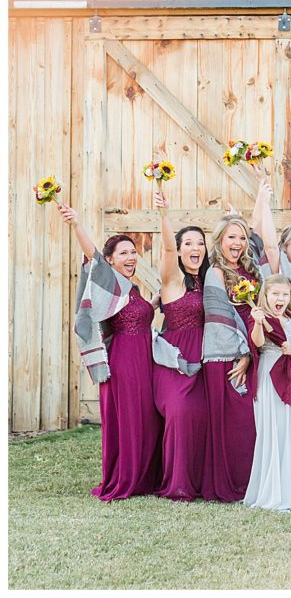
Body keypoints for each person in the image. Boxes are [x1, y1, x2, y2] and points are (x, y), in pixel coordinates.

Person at [61, 202, 162, 501]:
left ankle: (146, 476)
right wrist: (76, 224)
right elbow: (91, 255)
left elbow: (137, 315)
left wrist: (155, 304)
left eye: (133, 252)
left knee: (147, 418)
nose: (131, 257)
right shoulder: (107, 280)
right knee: (130, 419)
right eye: (124, 253)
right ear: (110, 260)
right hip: (123, 362)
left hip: (145, 359)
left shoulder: (131, 289)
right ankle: (127, 478)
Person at [200, 175, 279, 502]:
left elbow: (266, 240)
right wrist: (243, 355)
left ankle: (254, 480)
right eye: (232, 237)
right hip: (231, 355)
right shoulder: (215, 273)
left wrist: (261, 200)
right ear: (219, 241)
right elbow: (219, 319)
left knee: (256, 418)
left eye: (243, 239)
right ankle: (233, 482)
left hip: (256, 344)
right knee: (238, 421)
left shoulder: (252, 269)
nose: (239, 243)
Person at [151, 192, 210, 501]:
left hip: (205, 357)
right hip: (174, 360)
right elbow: (168, 248)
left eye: (200, 243)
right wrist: (164, 216)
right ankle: (178, 482)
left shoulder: (209, 281)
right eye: (188, 243)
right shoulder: (172, 279)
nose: (195, 248)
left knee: (205, 413)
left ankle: (202, 480)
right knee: (181, 411)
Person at [244, 274, 291, 511]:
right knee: (276, 429)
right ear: (265, 295)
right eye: (275, 294)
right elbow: (255, 343)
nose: (280, 298)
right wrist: (256, 322)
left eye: (285, 294)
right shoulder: (260, 316)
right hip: (273, 373)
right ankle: (275, 490)